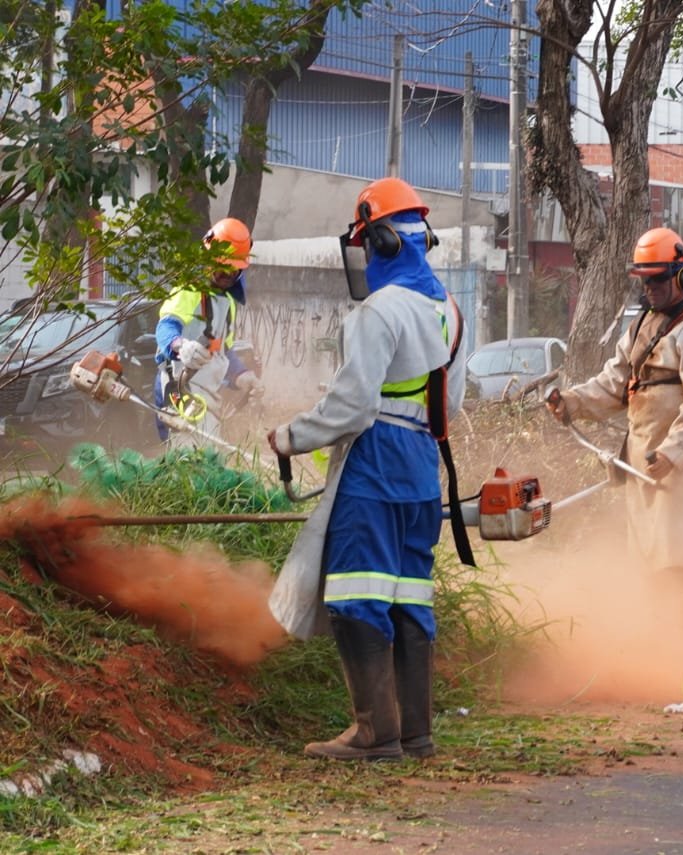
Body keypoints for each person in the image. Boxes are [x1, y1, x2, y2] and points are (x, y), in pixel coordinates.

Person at [267, 177, 465, 762]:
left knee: (357, 593)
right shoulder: (449, 310)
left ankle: (373, 733)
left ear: (376, 244)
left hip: (374, 464)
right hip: (422, 467)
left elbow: (352, 406)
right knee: (409, 596)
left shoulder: (378, 312)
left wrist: (290, 438)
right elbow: (448, 407)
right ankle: (415, 732)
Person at [546, 227, 683, 642]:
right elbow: (614, 383)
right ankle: (654, 652)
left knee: (677, 560)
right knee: (647, 560)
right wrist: (572, 402)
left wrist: (673, 453)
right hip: (641, 464)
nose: (649, 288)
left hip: (675, 470)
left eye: (657, 279)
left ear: (681, 275)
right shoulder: (644, 325)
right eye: (644, 279)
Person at [153, 217, 262, 446]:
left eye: (233, 269)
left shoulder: (228, 302)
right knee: (186, 458)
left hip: (208, 398)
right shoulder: (188, 289)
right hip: (178, 389)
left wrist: (242, 376)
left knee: (211, 461)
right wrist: (180, 346)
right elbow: (165, 327)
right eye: (222, 266)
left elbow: (223, 352)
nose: (227, 274)